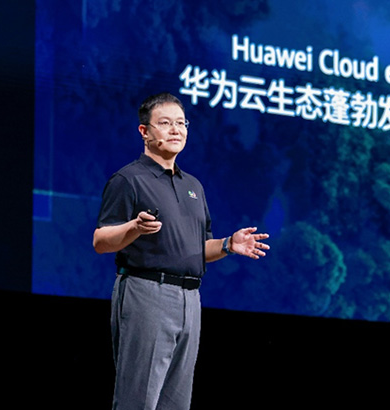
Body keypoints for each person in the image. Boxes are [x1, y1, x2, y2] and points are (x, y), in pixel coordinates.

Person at [93, 92, 270, 409]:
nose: (176, 130)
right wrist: (134, 227)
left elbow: (196, 249)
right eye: (165, 123)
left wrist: (228, 245)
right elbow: (100, 240)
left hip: (190, 299)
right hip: (148, 292)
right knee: (138, 400)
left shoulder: (193, 186)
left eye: (181, 123)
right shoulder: (129, 179)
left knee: (176, 402)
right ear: (144, 131)